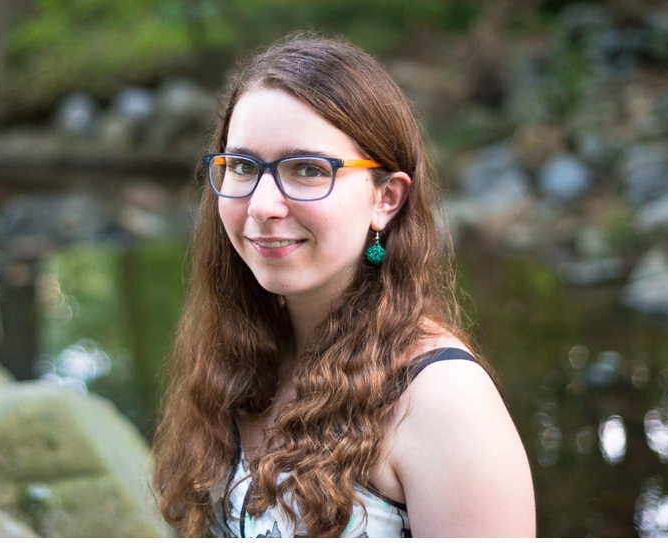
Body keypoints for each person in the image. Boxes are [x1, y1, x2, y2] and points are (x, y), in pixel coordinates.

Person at [151, 34, 535, 537]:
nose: (263, 206)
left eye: (308, 169)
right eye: (243, 166)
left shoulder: (444, 402)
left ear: (387, 199)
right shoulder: (238, 358)